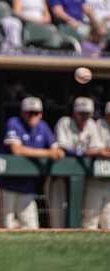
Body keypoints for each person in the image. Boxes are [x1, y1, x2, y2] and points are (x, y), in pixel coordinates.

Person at [0, 97, 63, 229]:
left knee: (31, 225)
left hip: (27, 185)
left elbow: (57, 151)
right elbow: (16, 150)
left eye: (36, 113)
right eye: (29, 113)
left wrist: (54, 152)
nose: (32, 116)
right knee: (6, 224)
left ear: (41, 114)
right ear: (22, 113)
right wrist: (47, 153)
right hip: (7, 183)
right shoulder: (14, 123)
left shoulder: (43, 127)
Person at [50, 97, 109, 229]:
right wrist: (87, 152)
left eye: (87, 114)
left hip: (81, 179)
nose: (83, 117)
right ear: (74, 112)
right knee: (58, 219)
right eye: (80, 113)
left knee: (82, 215)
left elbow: (97, 149)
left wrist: (94, 152)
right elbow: (64, 148)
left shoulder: (92, 125)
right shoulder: (64, 122)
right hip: (59, 178)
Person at [92, 102, 110, 229]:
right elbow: (98, 150)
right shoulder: (98, 125)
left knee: (108, 220)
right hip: (95, 180)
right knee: (90, 218)